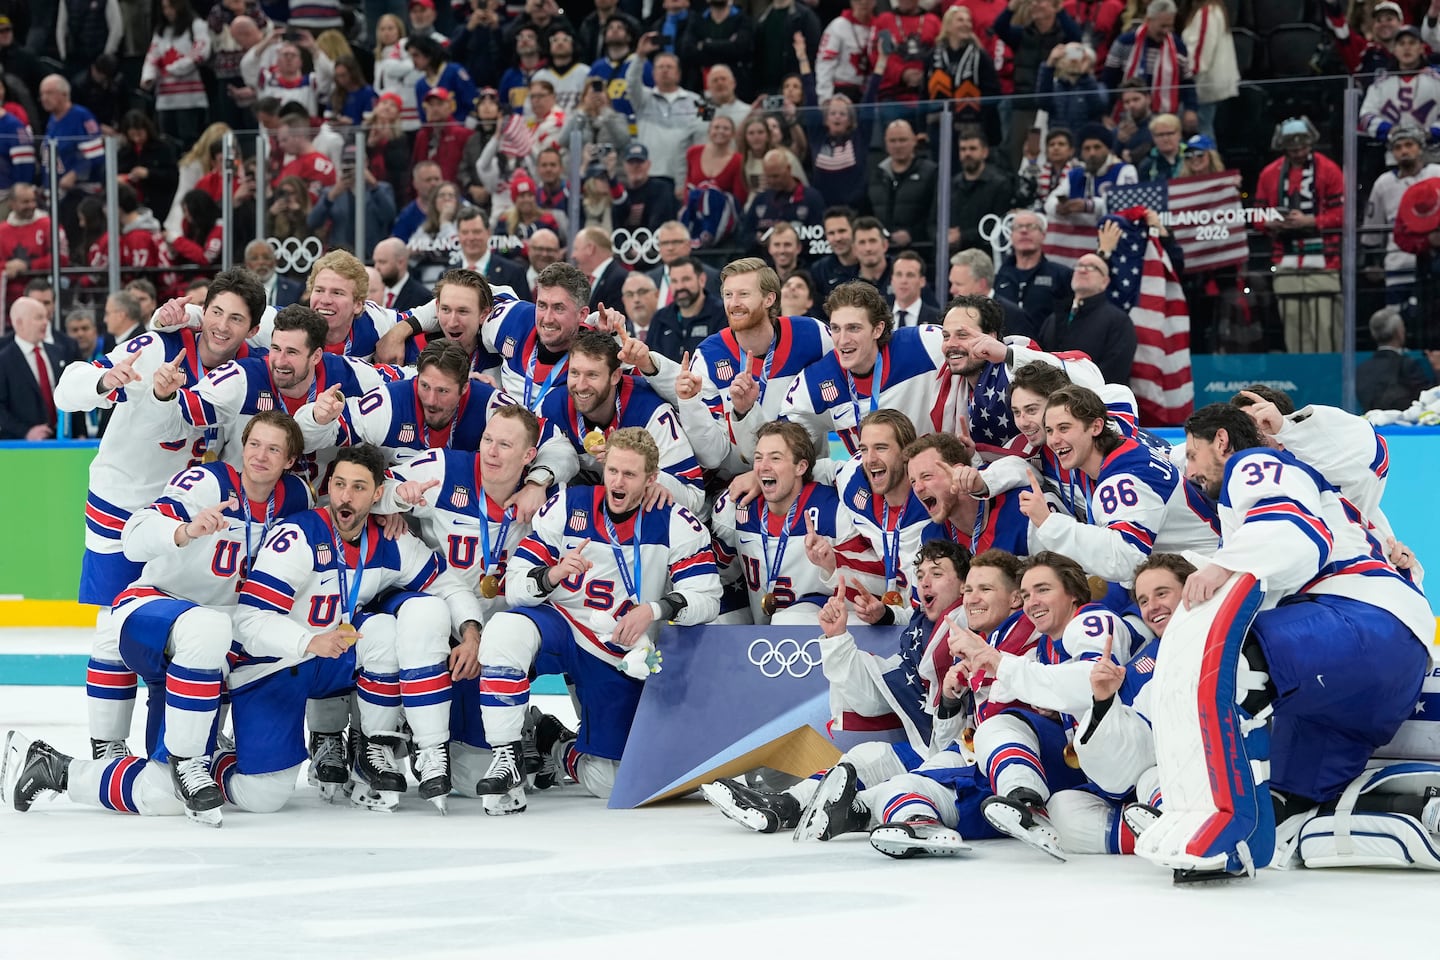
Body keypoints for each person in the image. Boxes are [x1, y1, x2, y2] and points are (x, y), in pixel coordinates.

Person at [1159, 404, 1435, 880]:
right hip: (1376, 670)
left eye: (1193, 455)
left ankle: (1227, 833)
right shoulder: (1338, 498)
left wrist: (1230, 563)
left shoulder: (1254, 464)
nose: (1191, 470)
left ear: (1222, 442)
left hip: (1357, 622)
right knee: (1288, 799)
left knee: (1233, 662)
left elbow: (1294, 532)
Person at [0, 412, 313, 824]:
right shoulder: (208, 483)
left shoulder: (296, 498)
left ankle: (53, 768)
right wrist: (185, 530)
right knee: (208, 626)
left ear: (290, 460)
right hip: (156, 608)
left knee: (169, 796)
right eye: (254, 444)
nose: (260, 456)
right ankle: (188, 760)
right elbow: (135, 534)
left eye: (274, 449)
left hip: (215, 642)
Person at [54, 271, 267, 760]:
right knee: (116, 624)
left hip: (193, 516)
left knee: (201, 624)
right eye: (215, 312)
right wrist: (106, 379)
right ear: (203, 311)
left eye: (236, 319)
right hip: (122, 504)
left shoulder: (250, 371)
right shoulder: (153, 346)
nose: (222, 326)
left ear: (252, 329)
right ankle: (107, 744)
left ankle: (194, 732)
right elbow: (69, 388)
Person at [472, 427, 721, 813]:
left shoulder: (675, 522)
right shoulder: (568, 505)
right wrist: (552, 575)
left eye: (631, 475)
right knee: (505, 628)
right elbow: (517, 587)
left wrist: (655, 609)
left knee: (612, 781)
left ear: (651, 479)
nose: (618, 482)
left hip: (619, 652)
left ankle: (552, 742)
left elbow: (708, 598)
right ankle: (506, 757)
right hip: (562, 625)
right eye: (613, 471)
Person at [149, 304, 398, 485]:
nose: (278, 360)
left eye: (291, 352)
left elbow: (411, 381)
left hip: (316, 510)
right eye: (275, 348)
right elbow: (177, 423)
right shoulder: (241, 377)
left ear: (316, 356)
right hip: (242, 507)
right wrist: (164, 396)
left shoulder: (350, 373)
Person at [1019, 385, 1218, 585]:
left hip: (1205, 575)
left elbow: (1126, 559)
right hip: (1185, 569)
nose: (1054, 440)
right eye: (1049, 431)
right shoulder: (1113, 452)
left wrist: (1048, 522)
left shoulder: (1124, 479)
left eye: (1064, 428)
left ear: (1096, 427)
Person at [668, 257, 831, 478]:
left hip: (805, 475)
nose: (734, 303)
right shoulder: (708, 356)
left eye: (743, 294)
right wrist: (689, 404)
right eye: (728, 295)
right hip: (738, 482)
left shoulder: (813, 334)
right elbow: (711, 456)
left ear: (769, 299)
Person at [711, 421, 870, 625]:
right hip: (759, 627)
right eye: (758, 458)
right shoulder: (734, 507)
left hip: (821, 626)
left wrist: (834, 563)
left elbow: (871, 580)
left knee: (787, 620)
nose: (763, 466)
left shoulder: (834, 512)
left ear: (801, 467)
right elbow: (723, 576)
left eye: (775, 458)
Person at [537, 329, 703, 513]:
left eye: (592, 375)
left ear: (615, 376)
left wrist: (646, 478)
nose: (581, 385)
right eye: (575, 373)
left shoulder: (649, 411)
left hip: (645, 518)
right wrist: (535, 484)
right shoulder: (551, 406)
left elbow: (694, 497)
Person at [782, 280, 945, 461]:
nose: (842, 340)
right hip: (869, 481)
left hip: (926, 477)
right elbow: (784, 440)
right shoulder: (817, 379)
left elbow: (970, 345)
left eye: (853, 328)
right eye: (836, 328)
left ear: (877, 329)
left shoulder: (922, 345)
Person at [298, 339, 521, 465]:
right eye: (425, 386)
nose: (431, 400)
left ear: (464, 387)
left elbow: (543, 438)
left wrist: (537, 482)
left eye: (443, 391)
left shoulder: (491, 405)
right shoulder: (389, 404)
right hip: (400, 514)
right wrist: (317, 419)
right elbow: (305, 441)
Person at [1254, 117, 1344, 354]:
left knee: (1326, 330)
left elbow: (1344, 213)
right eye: (1292, 149)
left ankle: (1328, 381)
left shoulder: (1329, 170)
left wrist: (1312, 221)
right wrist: (1270, 223)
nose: (1298, 152)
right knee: (1294, 331)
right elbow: (1257, 215)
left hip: (1324, 262)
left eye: (1302, 147)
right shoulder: (1269, 174)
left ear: (1311, 144)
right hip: (1286, 263)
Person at [1363, 124, 1440, 306]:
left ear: (1420, 148)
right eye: (1398, 147)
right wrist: (1372, 262)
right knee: (1396, 322)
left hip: (1435, 264)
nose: (1404, 151)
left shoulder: (1436, 173)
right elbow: (1372, 229)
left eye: (1409, 145)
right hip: (1398, 265)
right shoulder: (1383, 183)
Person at [1101, 0, 1199, 134]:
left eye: (1170, 26)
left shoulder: (1178, 46)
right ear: (1148, 20)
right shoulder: (1125, 43)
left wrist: (1191, 109)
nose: (1166, 31)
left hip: (1164, 118)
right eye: (1162, 26)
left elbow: (1187, 82)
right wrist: (1105, 113)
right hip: (1127, 115)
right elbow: (1109, 80)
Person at [1037, 252, 1136, 383]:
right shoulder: (1054, 319)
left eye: (1092, 267)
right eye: (1078, 266)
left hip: (1094, 400)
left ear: (1105, 282)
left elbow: (1114, 372)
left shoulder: (1119, 321)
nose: (1083, 270)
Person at [627, 41, 706, 188]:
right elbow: (631, 82)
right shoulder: (643, 98)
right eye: (660, 67)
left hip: (682, 177)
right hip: (650, 175)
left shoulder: (698, 101)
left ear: (678, 74)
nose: (664, 71)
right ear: (653, 74)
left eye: (669, 67)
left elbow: (710, 126)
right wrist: (640, 56)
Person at [0, 297, 75, 440]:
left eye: (46, 317)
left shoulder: (58, 352)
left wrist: (80, 432)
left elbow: (73, 391)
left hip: (63, 440)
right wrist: (26, 432)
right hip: (22, 446)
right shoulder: (3, 360)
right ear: (19, 323)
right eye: (39, 318)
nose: (45, 322)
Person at [140, 0, 210, 147]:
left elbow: (200, 53)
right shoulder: (161, 31)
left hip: (190, 98)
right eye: (164, 8)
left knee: (190, 140)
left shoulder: (196, 25)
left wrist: (172, 68)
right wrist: (148, 77)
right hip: (165, 99)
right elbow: (152, 56)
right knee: (167, 140)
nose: (167, 11)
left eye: (171, 7)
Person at [994, 208, 1074, 331]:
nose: (1024, 231)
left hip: (1045, 348)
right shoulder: (1000, 277)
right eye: (1018, 227)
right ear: (1011, 236)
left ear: (1043, 235)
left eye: (1031, 226)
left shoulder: (1062, 275)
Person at [869, 120, 937, 253]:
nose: (898, 145)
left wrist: (912, 235)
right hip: (883, 252)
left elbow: (934, 216)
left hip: (920, 250)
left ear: (914, 141)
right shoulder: (876, 174)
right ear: (885, 143)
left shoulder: (931, 172)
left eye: (903, 140)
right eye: (892, 141)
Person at [1356, 305, 1435, 412]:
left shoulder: (1361, 369)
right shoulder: (1407, 366)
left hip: (1371, 425)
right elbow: (1430, 401)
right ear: (1399, 332)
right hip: (1402, 426)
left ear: (1373, 334)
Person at [0, 184, 67, 308]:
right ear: (12, 203)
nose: (31, 205)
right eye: (25, 202)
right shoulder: (2, 231)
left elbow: (62, 259)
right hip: (9, 304)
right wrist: (6, 267)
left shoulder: (49, 225)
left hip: (43, 298)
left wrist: (28, 266)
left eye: (33, 201)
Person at [949, 248, 1037, 341]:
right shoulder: (952, 314)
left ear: (981, 284)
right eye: (952, 283)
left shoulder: (1014, 317)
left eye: (958, 284)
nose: (952, 290)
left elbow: (1027, 352)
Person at [647, 256, 726, 359]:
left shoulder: (722, 314)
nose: (680, 287)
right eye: (674, 281)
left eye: (686, 279)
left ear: (702, 280)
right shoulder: (660, 318)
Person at [571, 225, 628, 311]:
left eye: (576, 249)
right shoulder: (597, 278)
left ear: (590, 249)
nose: (573, 255)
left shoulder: (618, 279)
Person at [810, 206, 860, 296]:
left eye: (842, 231)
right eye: (831, 233)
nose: (837, 238)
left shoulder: (870, 264)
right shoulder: (820, 270)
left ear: (854, 231)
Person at [244, 239, 302, 308]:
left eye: (266, 258)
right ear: (247, 264)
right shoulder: (241, 290)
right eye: (254, 258)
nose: (261, 262)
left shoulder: (294, 289)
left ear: (275, 261)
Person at [889, 252, 939, 328]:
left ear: (922, 281)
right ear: (892, 280)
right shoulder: (879, 317)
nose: (903, 281)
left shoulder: (937, 319)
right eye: (899, 274)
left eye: (910, 275)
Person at [620, 271, 659, 342]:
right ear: (624, 301)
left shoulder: (672, 328)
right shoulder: (618, 335)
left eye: (642, 292)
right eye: (629, 294)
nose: (636, 300)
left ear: (656, 295)